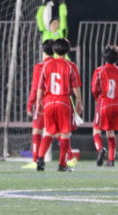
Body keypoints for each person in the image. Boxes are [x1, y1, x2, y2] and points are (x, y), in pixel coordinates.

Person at [35, 38, 83, 172]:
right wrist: (79, 101)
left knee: (49, 132)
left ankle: (40, 159)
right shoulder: (70, 65)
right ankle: (62, 164)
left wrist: (38, 102)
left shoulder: (47, 65)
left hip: (49, 101)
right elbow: (75, 86)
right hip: (63, 102)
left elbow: (40, 86)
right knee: (65, 134)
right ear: (68, 50)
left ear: (54, 50)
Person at [91, 45, 118, 167]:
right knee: (110, 133)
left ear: (104, 57)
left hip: (103, 103)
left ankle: (100, 149)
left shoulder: (99, 71)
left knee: (96, 130)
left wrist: (97, 99)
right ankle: (111, 160)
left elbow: (94, 89)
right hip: (116, 104)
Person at [23, 39, 55, 169]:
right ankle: (67, 158)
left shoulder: (39, 66)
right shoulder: (60, 65)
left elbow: (35, 87)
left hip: (42, 103)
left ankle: (36, 159)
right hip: (56, 102)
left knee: (37, 129)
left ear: (43, 51)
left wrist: (30, 103)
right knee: (58, 132)